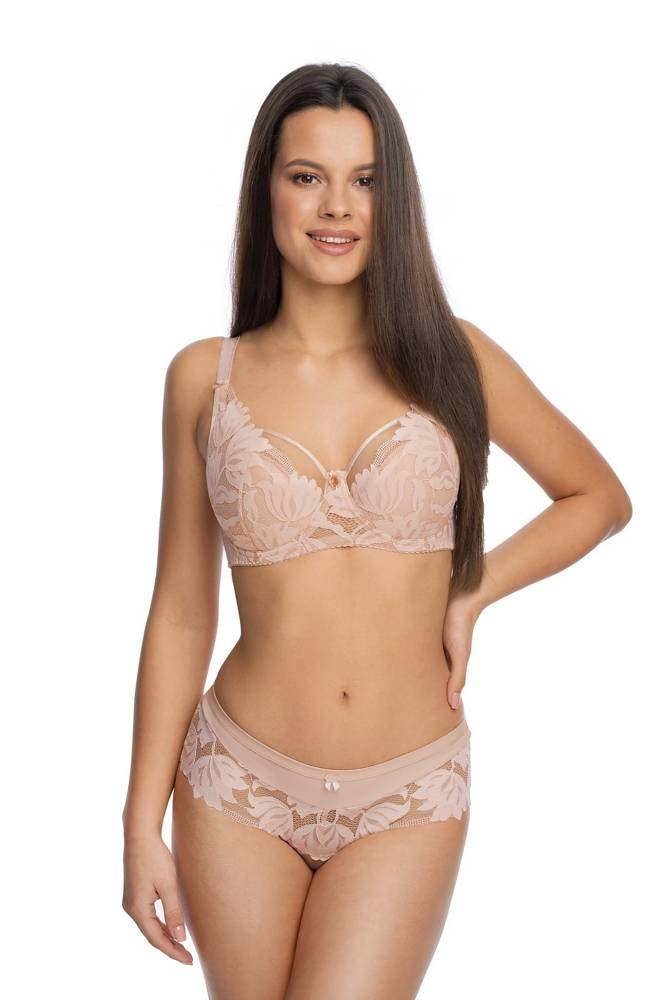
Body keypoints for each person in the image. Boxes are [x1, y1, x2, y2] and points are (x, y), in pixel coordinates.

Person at [121, 63, 632, 999]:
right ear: (266, 190)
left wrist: (473, 591)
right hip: (236, 784)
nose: (337, 206)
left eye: (365, 179)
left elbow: (596, 496)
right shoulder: (204, 377)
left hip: (407, 790)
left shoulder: (453, 356)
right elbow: (182, 614)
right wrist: (137, 824)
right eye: (306, 175)